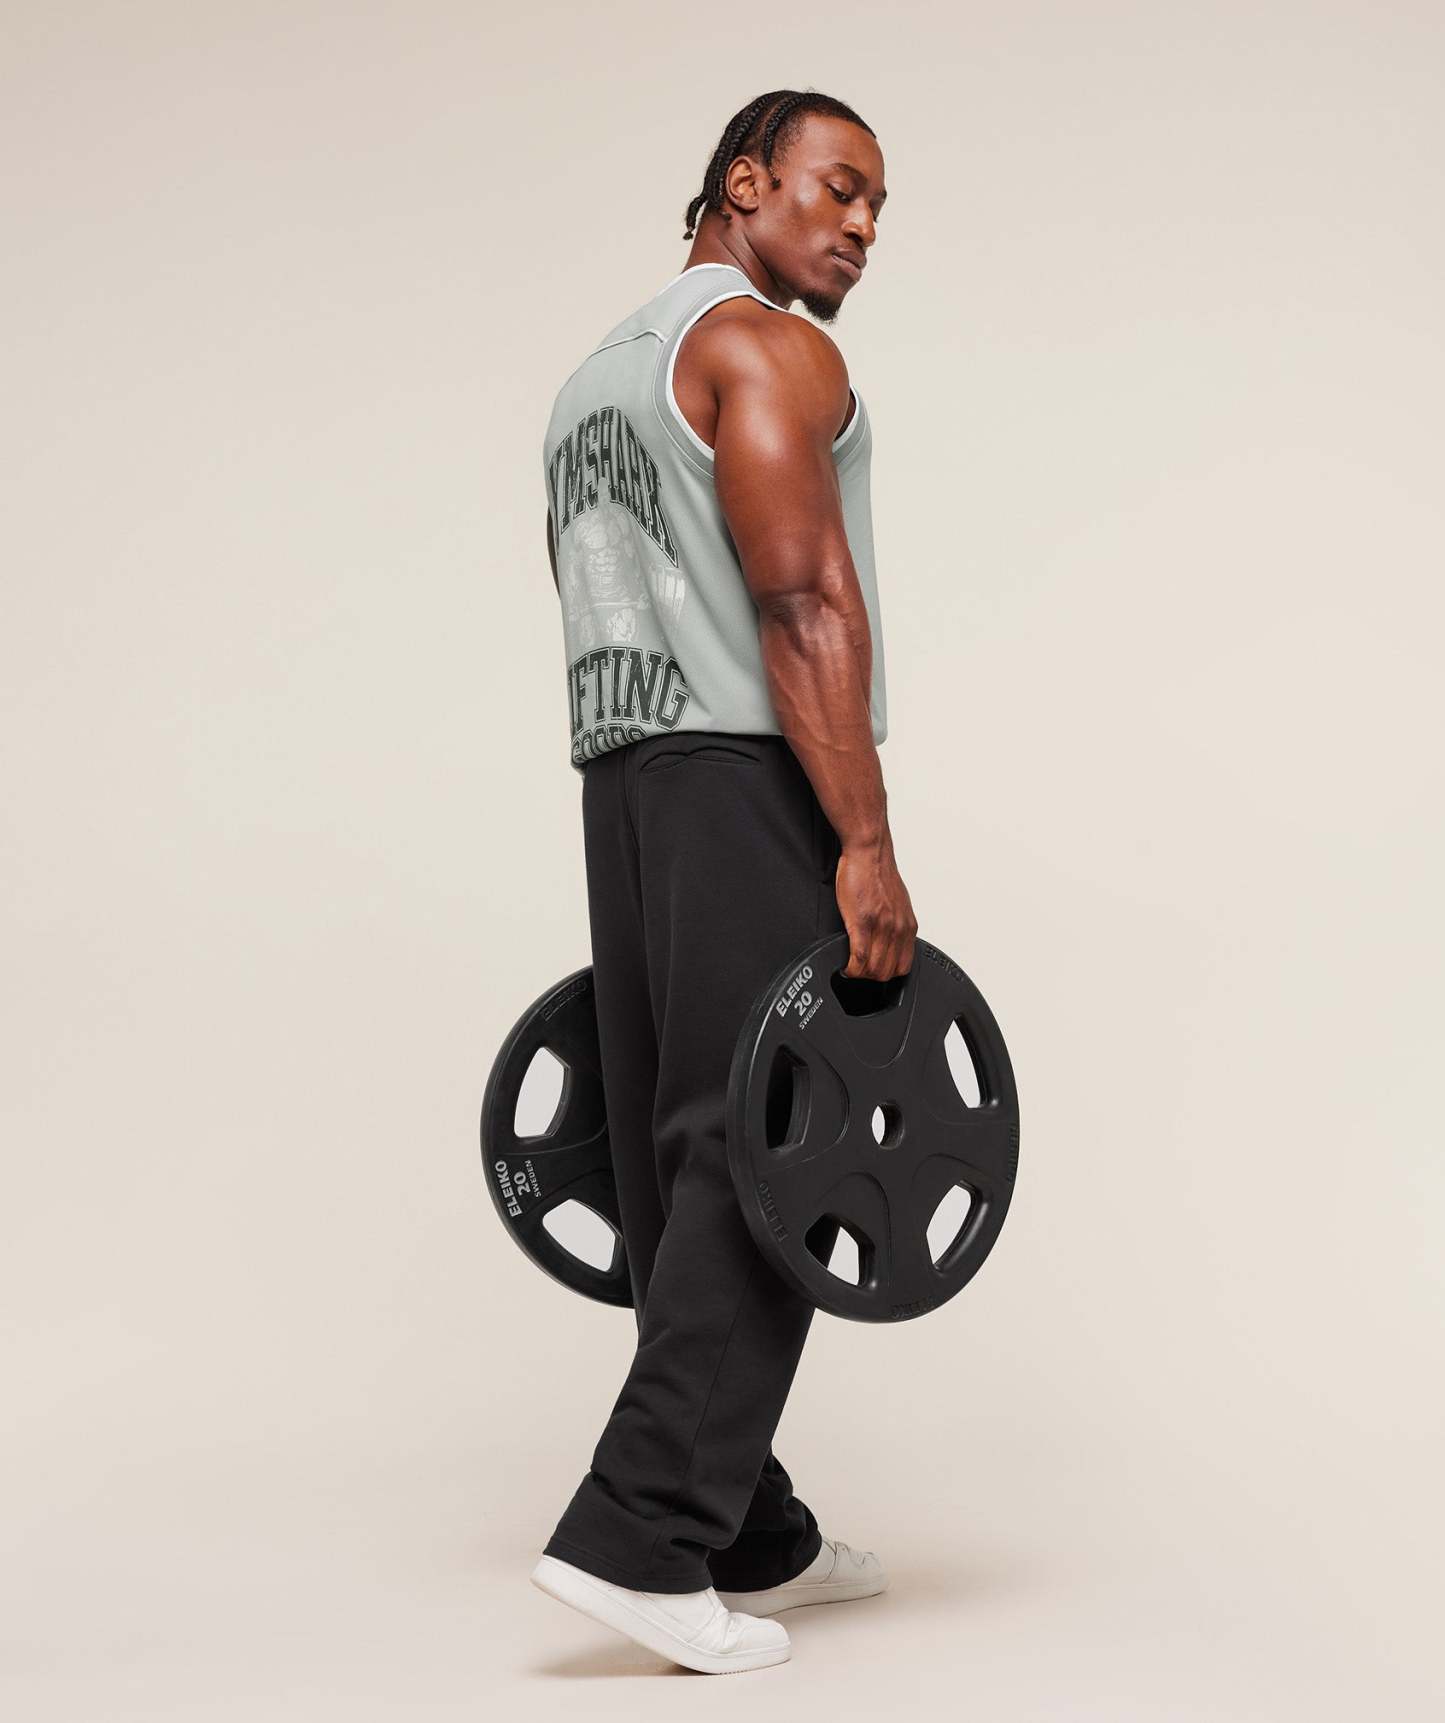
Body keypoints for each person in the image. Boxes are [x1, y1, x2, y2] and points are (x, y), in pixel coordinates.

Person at [528, 87, 916, 1675]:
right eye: (837, 187)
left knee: (680, 1143)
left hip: (625, 778)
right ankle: (641, 1534)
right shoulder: (764, 348)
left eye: (877, 207)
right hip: (746, 771)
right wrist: (864, 841)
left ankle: (747, 1523)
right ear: (742, 184)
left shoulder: (595, 377)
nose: (861, 227)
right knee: (777, 1147)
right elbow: (801, 599)